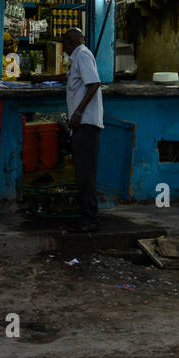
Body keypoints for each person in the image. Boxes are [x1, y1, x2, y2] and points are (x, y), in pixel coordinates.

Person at [62, 27, 104, 232]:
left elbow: (94, 83)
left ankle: (90, 219)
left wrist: (78, 112)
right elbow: (77, 81)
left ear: (70, 43)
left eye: (65, 44)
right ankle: (86, 217)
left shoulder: (83, 55)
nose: (64, 49)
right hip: (81, 124)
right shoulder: (78, 57)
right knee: (82, 173)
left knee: (86, 174)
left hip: (86, 123)